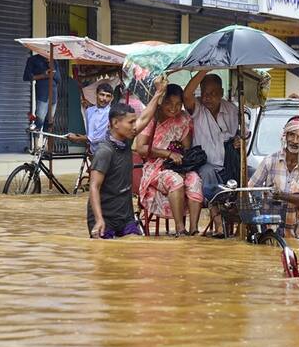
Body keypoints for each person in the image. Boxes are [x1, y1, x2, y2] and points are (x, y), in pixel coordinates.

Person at [88, 81, 167, 239]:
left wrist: (159, 93)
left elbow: (145, 117)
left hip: (125, 218)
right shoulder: (104, 152)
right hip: (105, 219)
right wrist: (98, 220)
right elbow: (93, 187)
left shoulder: (127, 140)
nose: (134, 126)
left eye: (134, 122)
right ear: (116, 123)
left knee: (135, 248)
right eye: (130, 122)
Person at [135, 84, 204, 237]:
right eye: (169, 103)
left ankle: (193, 229)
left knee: (194, 180)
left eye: (178, 104)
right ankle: (180, 229)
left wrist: (179, 158)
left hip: (177, 165)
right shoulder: (151, 119)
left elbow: (185, 148)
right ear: (161, 102)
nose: (174, 108)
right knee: (175, 181)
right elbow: (140, 148)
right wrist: (166, 153)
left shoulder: (184, 119)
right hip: (155, 169)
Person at [183, 71, 240, 237]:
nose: (207, 98)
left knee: (250, 175)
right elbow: (187, 94)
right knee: (208, 176)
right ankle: (218, 225)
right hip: (205, 164)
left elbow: (239, 135)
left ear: (222, 93)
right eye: (205, 93)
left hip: (228, 163)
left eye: (213, 94)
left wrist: (238, 141)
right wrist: (204, 69)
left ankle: (245, 225)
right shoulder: (197, 108)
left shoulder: (232, 110)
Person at [248, 116, 299, 238]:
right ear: (285, 136)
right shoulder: (270, 161)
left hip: (296, 233)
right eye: (291, 135)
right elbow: (249, 189)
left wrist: (281, 195)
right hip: (269, 232)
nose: (295, 141)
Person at [67, 82, 114, 154]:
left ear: (111, 98)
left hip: (105, 153)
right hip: (92, 151)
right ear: (96, 94)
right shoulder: (89, 111)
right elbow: (90, 133)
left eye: (108, 96)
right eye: (102, 94)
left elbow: (98, 137)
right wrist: (81, 137)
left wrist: (79, 138)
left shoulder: (110, 113)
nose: (104, 98)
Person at [23, 54, 61, 131]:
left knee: (49, 121)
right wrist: (44, 75)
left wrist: (52, 68)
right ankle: (36, 138)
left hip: (53, 94)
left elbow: (58, 79)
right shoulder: (33, 60)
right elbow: (26, 77)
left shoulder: (54, 61)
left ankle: (46, 139)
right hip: (42, 93)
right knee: (39, 119)